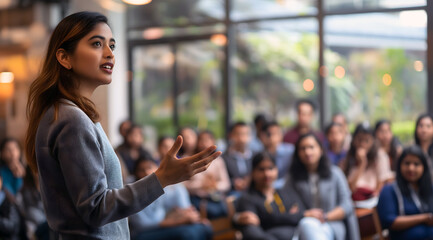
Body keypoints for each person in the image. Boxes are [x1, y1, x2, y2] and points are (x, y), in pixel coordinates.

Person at [24, 11, 221, 239]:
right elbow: (96, 208)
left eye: (112, 46)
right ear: (64, 57)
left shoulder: (64, 113)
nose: (109, 54)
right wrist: (162, 178)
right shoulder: (72, 119)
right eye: (97, 44)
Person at [285, 133, 360, 240]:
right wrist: (306, 214)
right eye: (303, 148)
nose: (307, 152)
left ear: (320, 150)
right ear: (297, 153)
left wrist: (324, 216)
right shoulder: (292, 178)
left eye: (311, 147)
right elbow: (287, 204)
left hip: (332, 224)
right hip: (302, 224)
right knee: (307, 224)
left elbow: (347, 204)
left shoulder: (335, 173)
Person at [129, 157, 212, 240]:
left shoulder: (158, 188)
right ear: (136, 174)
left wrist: (192, 217)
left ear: (157, 168)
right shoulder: (133, 194)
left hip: (161, 226)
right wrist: (179, 222)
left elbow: (172, 208)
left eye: (149, 167)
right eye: (141, 170)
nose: (146, 172)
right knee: (188, 234)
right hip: (143, 233)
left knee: (205, 228)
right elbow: (143, 225)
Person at [234, 152, 304, 240]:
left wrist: (263, 217)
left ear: (277, 170)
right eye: (261, 169)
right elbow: (251, 231)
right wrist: (290, 216)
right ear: (253, 172)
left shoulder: (286, 193)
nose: (267, 174)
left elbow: (301, 215)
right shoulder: (247, 199)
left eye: (270, 168)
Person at [377, 145, 433, 240]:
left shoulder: (429, 188)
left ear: (424, 167)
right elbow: (389, 221)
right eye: (407, 163)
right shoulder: (389, 190)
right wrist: (424, 218)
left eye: (416, 164)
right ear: (399, 165)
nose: (411, 168)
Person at [184, 130, 231, 219]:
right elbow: (182, 185)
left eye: (207, 140)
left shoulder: (218, 161)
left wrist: (215, 185)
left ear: (213, 142)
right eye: (201, 140)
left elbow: (226, 183)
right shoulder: (188, 159)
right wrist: (202, 185)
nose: (204, 143)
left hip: (215, 197)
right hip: (196, 198)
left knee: (226, 209)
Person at [342, 123, 393, 201]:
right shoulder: (349, 158)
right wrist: (362, 164)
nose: (362, 144)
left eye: (366, 140)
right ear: (354, 140)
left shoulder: (380, 156)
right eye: (359, 139)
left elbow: (380, 185)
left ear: (372, 141)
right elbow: (350, 188)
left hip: (372, 200)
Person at [260, 121, 294, 189]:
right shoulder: (259, 154)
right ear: (262, 136)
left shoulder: (290, 151)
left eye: (276, 133)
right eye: (269, 134)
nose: (273, 137)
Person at [223, 121, 253, 194]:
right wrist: (233, 182)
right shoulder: (224, 157)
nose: (242, 138)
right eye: (238, 134)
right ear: (231, 136)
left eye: (245, 134)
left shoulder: (255, 155)